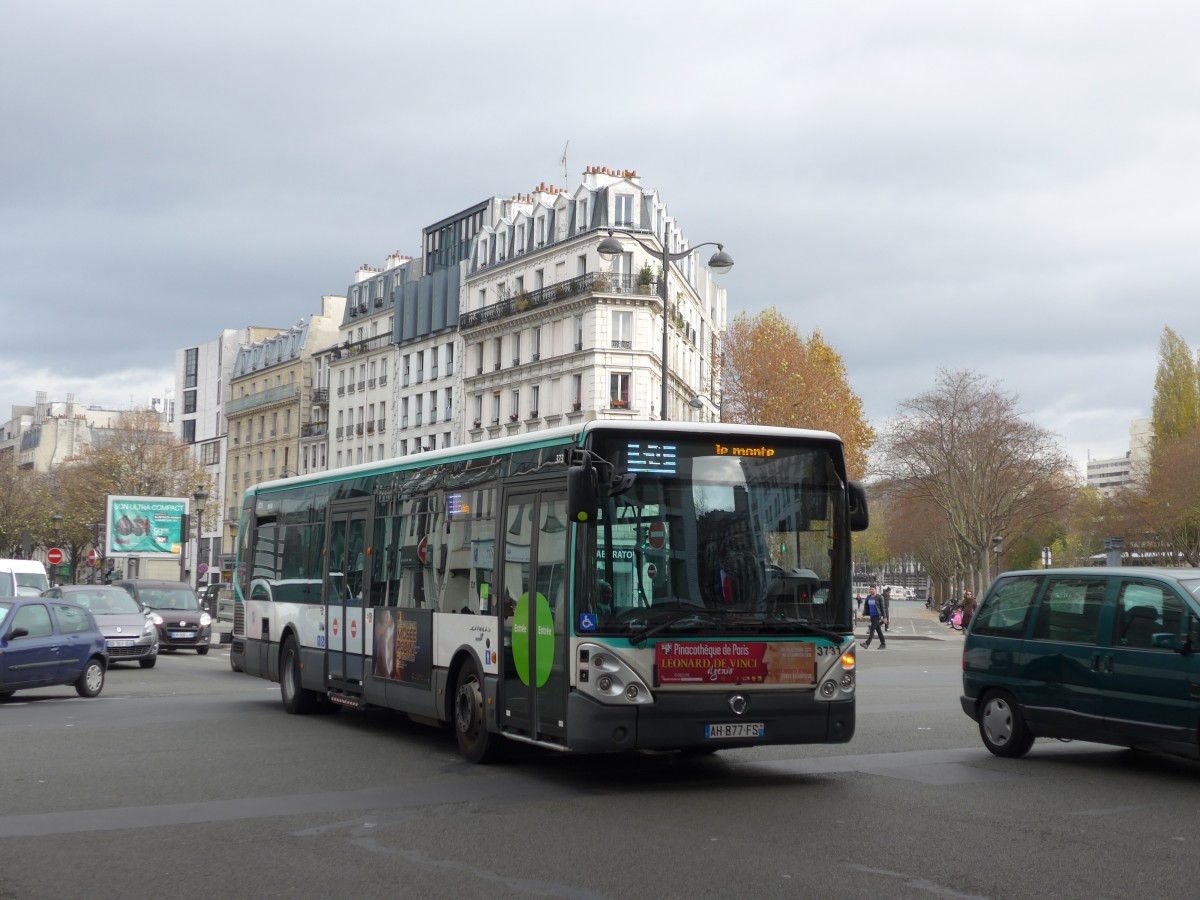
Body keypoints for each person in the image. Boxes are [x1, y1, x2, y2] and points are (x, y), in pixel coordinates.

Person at [863, 585, 887, 649]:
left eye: (872, 589)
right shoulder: (868, 597)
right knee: (879, 631)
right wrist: (863, 615)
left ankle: (867, 643)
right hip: (872, 616)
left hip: (877, 616)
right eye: (870, 589)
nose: (871, 590)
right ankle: (883, 644)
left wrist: (884, 617)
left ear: (875, 590)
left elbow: (883, 608)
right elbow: (866, 607)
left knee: (872, 629)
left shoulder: (879, 597)